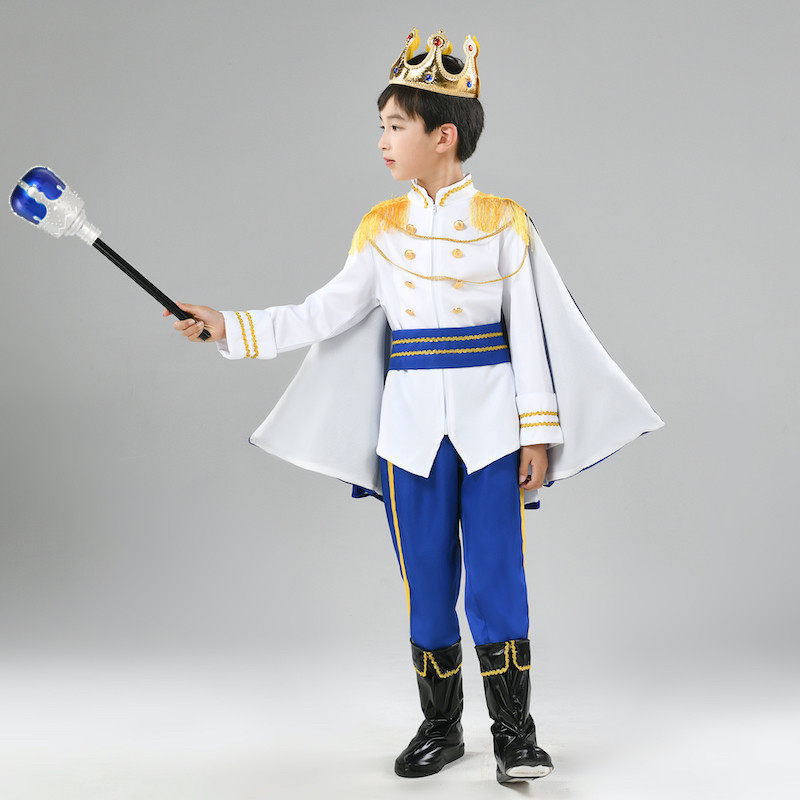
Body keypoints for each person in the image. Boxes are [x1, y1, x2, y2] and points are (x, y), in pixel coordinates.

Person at [163, 27, 664, 784]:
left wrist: (536, 434)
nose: (383, 142)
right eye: (382, 126)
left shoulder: (504, 223)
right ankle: (441, 726)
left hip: (492, 432)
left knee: (498, 579)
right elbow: (323, 313)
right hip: (409, 437)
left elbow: (530, 334)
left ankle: (515, 734)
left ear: (444, 136)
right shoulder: (381, 230)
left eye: (395, 126)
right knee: (426, 581)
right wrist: (229, 327)